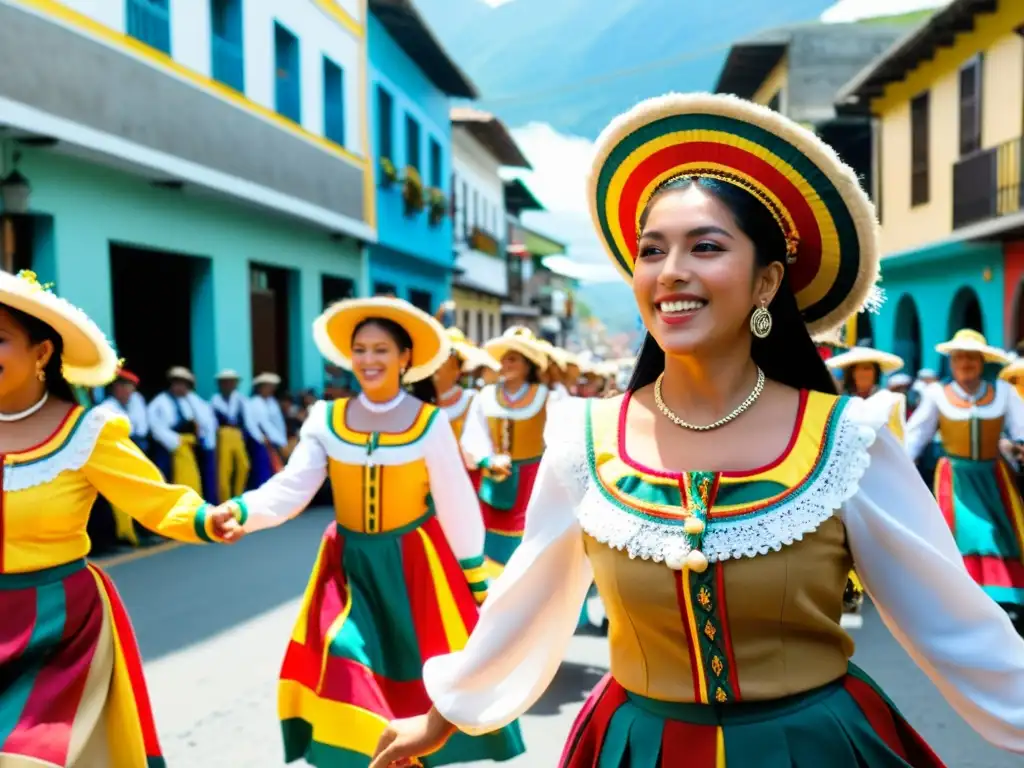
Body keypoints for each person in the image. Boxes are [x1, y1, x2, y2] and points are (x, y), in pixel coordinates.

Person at [369, 93, 1024, 767]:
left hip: (810, 748)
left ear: (767, 281)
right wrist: (445, 712)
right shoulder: (584, 439)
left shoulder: (846, 440)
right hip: (638, 747)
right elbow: (528, 594)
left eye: (705, 246)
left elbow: (957, 624)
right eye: (652, 251)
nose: (672, 270)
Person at [219, 296, 525, 767]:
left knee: (415, 679)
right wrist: (242, 511)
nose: (368, 360)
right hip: (348, 566)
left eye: (381, 349)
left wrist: (474, 576)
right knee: (343, 652)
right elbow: (292, 487)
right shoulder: (325, 417)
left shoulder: (429, 422)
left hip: (414, 567)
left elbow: (456, 504)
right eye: (359, 349)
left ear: (405, 358)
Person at [0, 269, 242, 767]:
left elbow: (157, 498)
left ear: (42, 352)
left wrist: (206, 518)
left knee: (29, 757)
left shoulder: (86, 432)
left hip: (57, 628)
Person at [906, 329, 1024, 633]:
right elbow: (916, 436)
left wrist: (1019, 446)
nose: (965, 363)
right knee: (970, 534)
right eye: (959, 357)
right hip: (955, 479)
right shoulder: (937, 395)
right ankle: (967, 601)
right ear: (952, 362)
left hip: (994, 478)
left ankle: (1003, 601)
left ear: (982, 360)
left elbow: (1020, 428)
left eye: (971, 357)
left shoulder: (1003, 392)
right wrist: (900, 467)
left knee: (1001, 534)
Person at [461, 326, 552, 572]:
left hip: (534, 481)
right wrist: (486, 460)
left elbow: (559, 438)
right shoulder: (486, 396)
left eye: (513, 359)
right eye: (503, 359)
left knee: (531, 542)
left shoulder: (546, 396)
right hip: (495, 479)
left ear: (528, 365)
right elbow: (473, 436)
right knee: (493, 545)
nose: (505, 364)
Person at [210, 369, 258, 502]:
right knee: (224, 470)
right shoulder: (214, 400)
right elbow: (212, 422)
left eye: (231, 382)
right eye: (225, 382)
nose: (228, 385)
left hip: (238, 435)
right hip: (223, 435)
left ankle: (238, 496)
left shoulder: (241, 400)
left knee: (243, 465)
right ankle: (224, 500)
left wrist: (256, 438)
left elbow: (249, 421)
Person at [247, 372, 287, 484]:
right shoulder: (254, 402)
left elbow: (278, 423)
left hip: (275, 441)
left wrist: (282, 440)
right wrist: (261, 438)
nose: (270, 389)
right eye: (267, 386)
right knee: (263, 473)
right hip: (263, 442)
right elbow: (255, 424)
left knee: (276, 471)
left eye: (272, 387)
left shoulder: (272, 402)